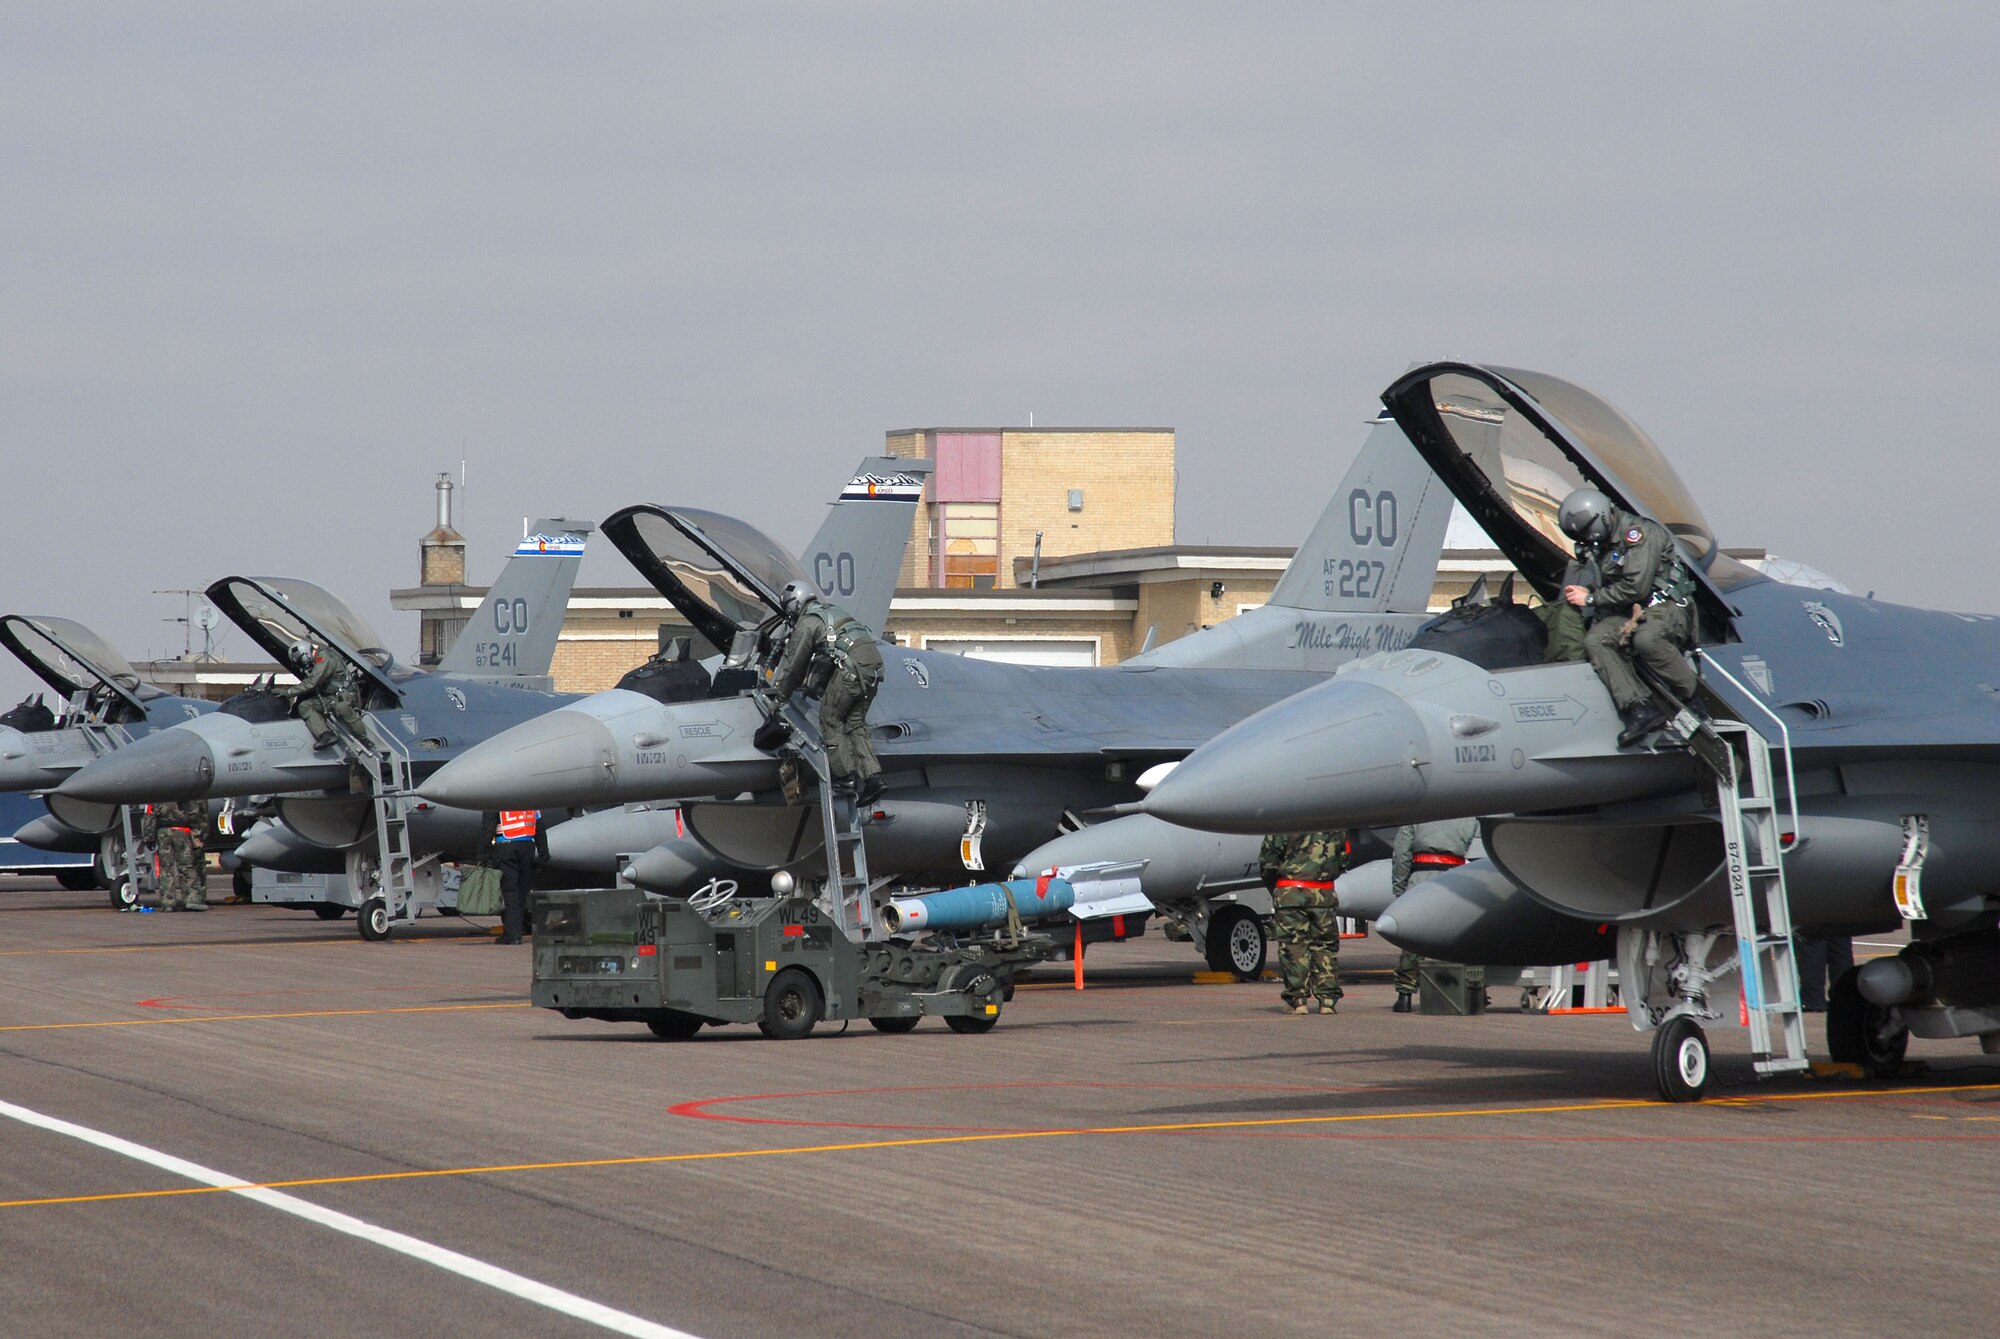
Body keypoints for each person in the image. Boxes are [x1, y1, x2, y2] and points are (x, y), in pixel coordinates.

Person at [1557, 488, 1699, 746]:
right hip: (1631, 610)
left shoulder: (1639, 535)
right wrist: (1591, 594)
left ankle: (1692, 698)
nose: (1585, 539)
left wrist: (1590, 598)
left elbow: (1636, 588)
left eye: (1586, 532)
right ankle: (1639, 708)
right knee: (1596, 640)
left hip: (1667, 607)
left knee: (1646, 639)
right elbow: (1619, 587)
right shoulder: (1602, 543)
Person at [767, 581, 886, 805]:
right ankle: (873, 779)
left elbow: (794, 667)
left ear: (795, 603)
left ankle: (844, 778)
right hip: (873, 666)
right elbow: (828, 654)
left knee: (830, 719)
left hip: (852, 669)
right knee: (855, 725)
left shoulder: (808, 623)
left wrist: (779, 698)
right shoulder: (832, 611)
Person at [1389, 818, 1479, 1011]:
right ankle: (1461, 991)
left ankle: (1404, 996)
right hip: (1456, 879)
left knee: (1413, 939)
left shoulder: (1422, 812)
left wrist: (1399, 889)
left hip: (1421, 878)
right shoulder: (1470, 814)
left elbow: (1401, 853)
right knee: (1457, 935)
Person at [1258, 829, 1350, 1015]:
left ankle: (1297, 1000)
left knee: (1293, 947)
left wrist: (1279, 885)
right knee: (1325, 947)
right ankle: (1327, 1000)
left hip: (1290, 893)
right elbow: (1344, 860)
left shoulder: (1287, 822)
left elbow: (1268, 862)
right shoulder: (1337, 825)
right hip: (1323, 895)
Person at [276, 639, 369, 751]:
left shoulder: (324, 658)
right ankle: (325, 735)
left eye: (300, 661)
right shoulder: (317, 660)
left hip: (345, 695)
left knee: (342, 709)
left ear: (305, 654)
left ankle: (365, 740)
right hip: (331, 697)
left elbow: (312, 682)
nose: (301, 665)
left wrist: (289, 692)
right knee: (305, 706)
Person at [490, 808, 545, 944]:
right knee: (522, 891)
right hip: (527, 847)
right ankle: (518, 931)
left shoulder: (495, 800)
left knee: (510, 891)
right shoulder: (530, 802)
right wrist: (544, 851)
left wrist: (483, 854)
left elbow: (487, 828)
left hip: (506, 847)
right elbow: (540, 827)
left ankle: (512, 934)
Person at [149, 798, 209, 912]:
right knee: (186, 866)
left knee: (166, 868)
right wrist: (200, 832)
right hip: (182, 830)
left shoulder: (158, 790)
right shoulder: (184, 788)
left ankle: (168, 902)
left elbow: (150, 814)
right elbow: (195, 811)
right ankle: (191, 900)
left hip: (163, 832)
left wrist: (149, 837)